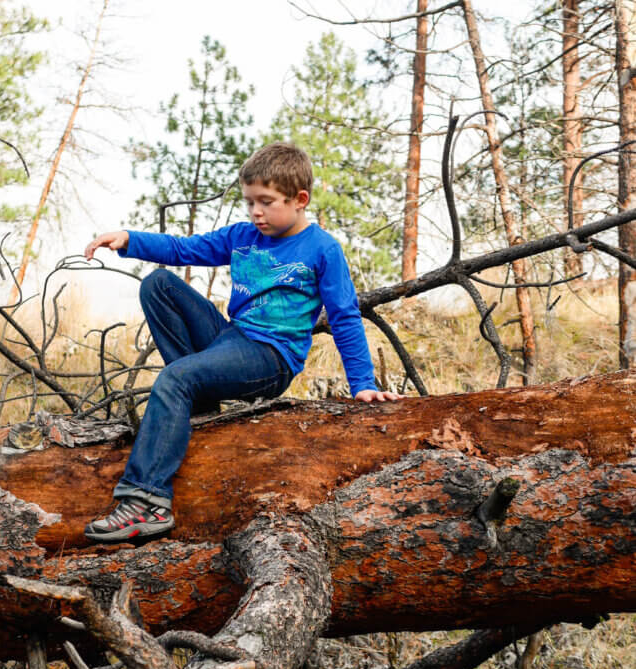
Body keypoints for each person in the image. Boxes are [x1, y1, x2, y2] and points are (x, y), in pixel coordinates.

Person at [82, 141, 402, 543]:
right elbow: (185, 248)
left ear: (300, 199)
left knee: (175, 378)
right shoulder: (243, 236)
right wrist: (129, 238)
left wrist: (363, 385)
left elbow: (344, 317)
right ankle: (199, 403)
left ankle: (147, 502)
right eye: (250, 202)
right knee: (158, 284)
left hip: (270, 358)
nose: (256, 212)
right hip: (231, 339)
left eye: (266, 202)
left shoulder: (322, 249)